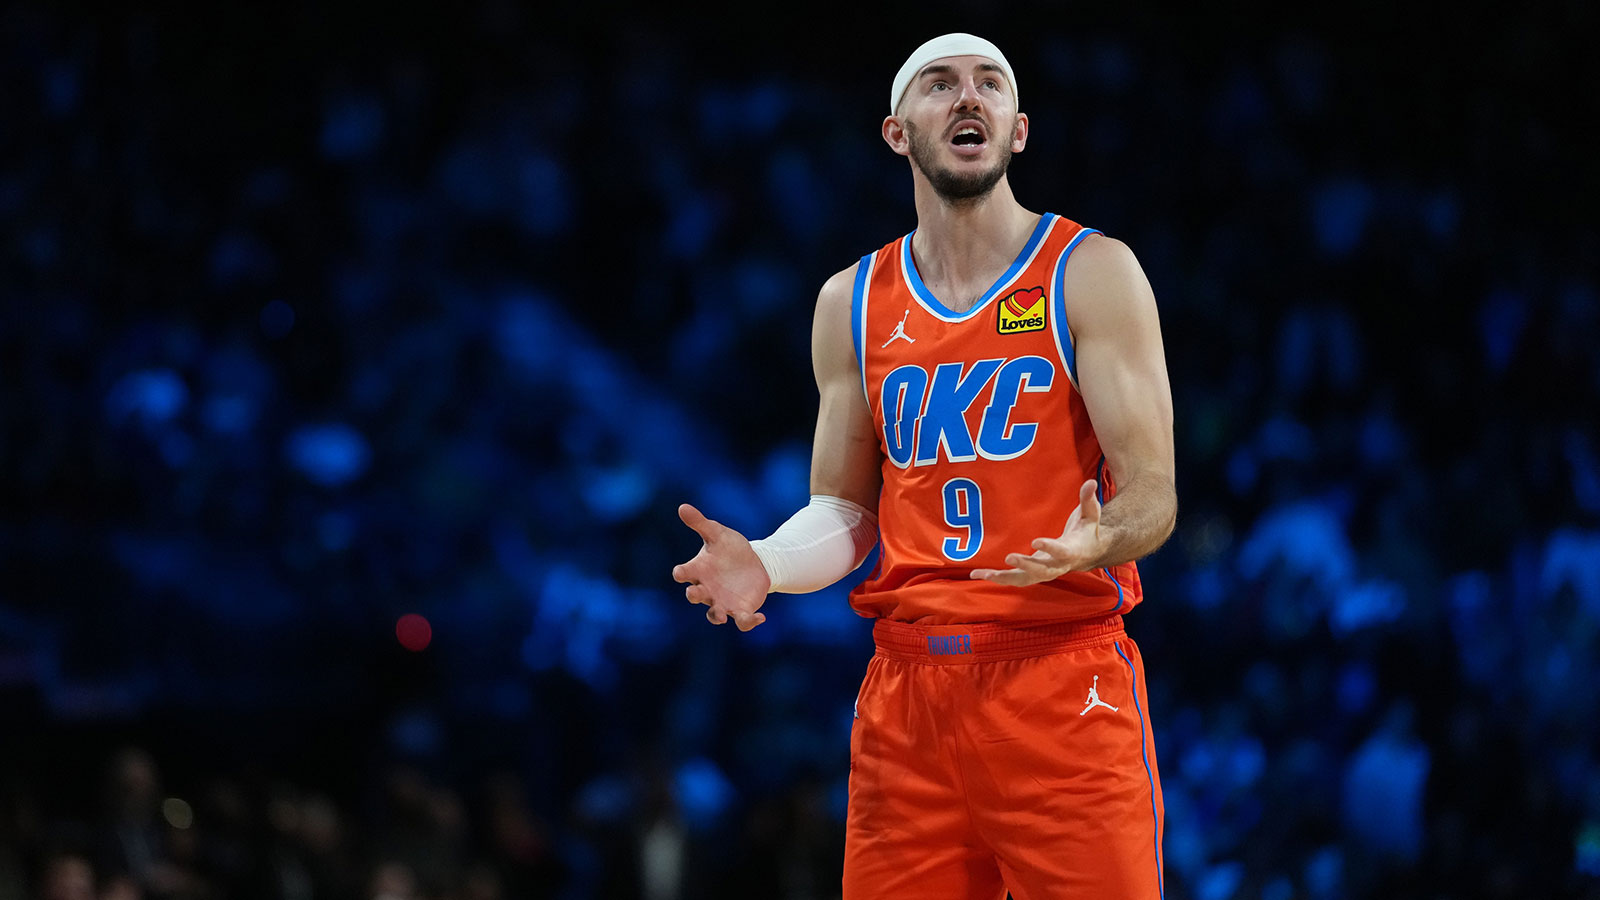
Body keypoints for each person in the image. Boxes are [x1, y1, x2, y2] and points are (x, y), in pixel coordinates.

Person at [672, 32, 1176, 899]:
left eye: (990, 84)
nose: (968, 97)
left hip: (1060, 676)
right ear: (898, 131)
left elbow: (1156, 493)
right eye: (940, 85)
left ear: (1019, 129)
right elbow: (846, 512)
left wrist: (1105, 538)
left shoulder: (1090, 272)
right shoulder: (852, 301)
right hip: (907, 698)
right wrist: (769, 563)